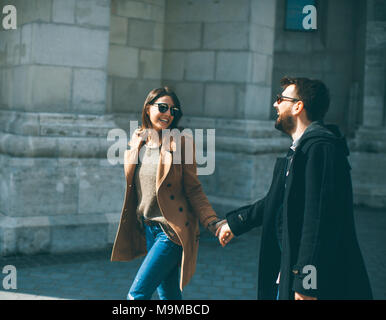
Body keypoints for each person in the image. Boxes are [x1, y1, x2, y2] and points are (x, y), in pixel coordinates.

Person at [218, 77, 373, 300]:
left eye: (280, 99)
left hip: (314, 281)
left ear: (298, 106)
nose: (275, 104)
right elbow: (276, 201)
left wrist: (308, 282)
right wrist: (235, 222)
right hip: (292, 270)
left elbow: (318, 220)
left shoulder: (321, 149)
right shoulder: (301, 150)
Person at [111, 87, 225, 300]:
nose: (168, 114)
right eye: (162, 107)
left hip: (171, 231)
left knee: (137, 294)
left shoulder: (181, 143)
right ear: (147, 108)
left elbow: (194, 190)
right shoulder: (139, 140)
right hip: (148, 228)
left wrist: (212, 221)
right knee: (169, 295)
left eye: (173, 110)